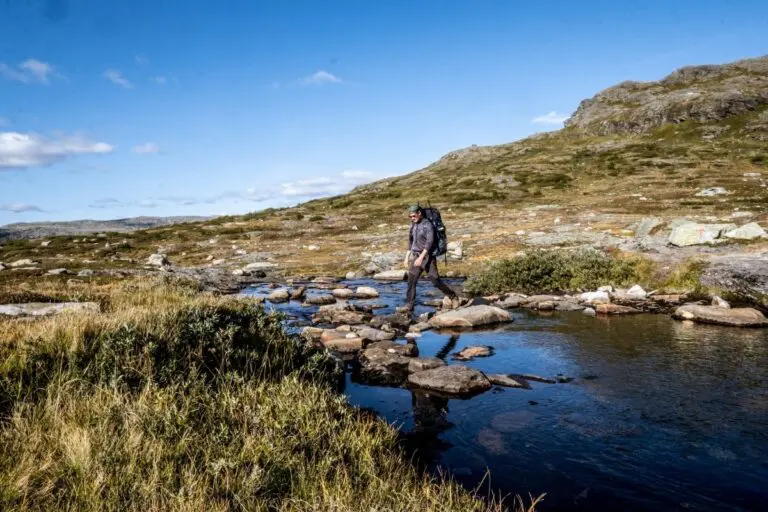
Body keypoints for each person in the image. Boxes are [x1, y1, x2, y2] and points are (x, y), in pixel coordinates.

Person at [403, 204, 458, 313]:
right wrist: (407, 257)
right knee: (411, 280)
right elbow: (411, 241)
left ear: (419, 213)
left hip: (427, 257)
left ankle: (453, 296)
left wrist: (421, 258)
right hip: (416, 256)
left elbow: (429, 243)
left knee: (435, 280)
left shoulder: (427, 225)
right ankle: (410, 305)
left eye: (414, 216)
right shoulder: (414, 225)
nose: (412, 218)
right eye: (410, 216)